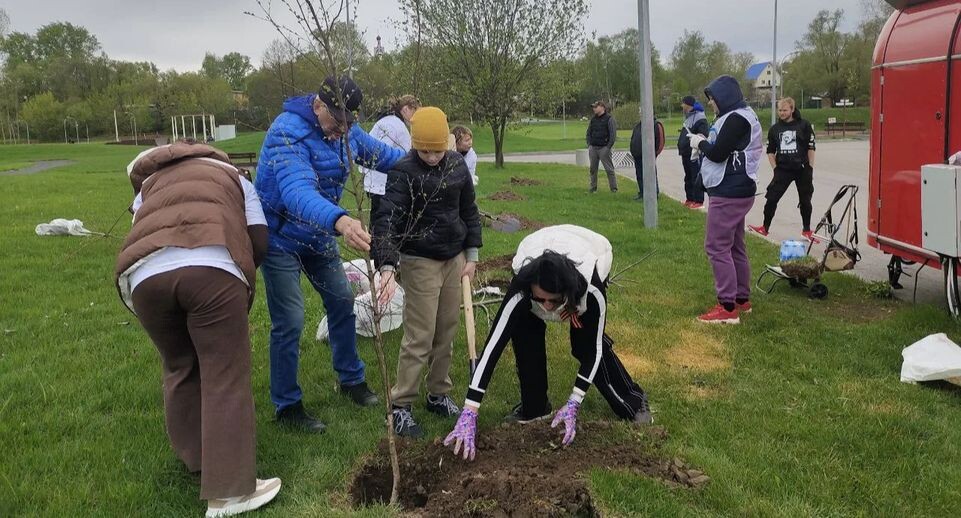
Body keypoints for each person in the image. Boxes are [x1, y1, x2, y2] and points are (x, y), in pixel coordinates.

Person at [115, 140, 281, 517]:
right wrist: (242, 273)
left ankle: (199, 459)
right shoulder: (234, 178)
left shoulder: (150, 185)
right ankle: (229, 494)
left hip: (143, 280)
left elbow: (142, 233)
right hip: (211, 268)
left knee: (179, 366)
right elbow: (259, 238)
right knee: (224, 373)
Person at [255, 75, 406, 433]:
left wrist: (431, 161)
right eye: (337, 121)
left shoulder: (347, 131)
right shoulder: (287, 133)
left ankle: (351, 380)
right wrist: (340, 220)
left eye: (349, 123)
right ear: (318, 105)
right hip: (280, 239)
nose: (343, 130)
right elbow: (296, 191)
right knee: (289, 320)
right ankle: (287, 406)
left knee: (342, 303)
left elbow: (384, 157)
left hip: (320, 235)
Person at [442, 225, 652, 460]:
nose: (546, 306)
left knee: (585, 344)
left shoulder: (591, 290)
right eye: (539, 299)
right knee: (524, 333)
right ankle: (535, 407)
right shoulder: (522, 288)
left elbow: (594, 350)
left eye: (552, 301)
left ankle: (633, 401)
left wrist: (574, 401)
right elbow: (493, 346)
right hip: (541, 248)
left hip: (587, 251)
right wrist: (470, 410)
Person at [371, 107, 483, 438]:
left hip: (454, 259)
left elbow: (469, 211)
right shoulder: (403, 171)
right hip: (419, 259)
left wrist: (472, 254)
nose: (432, 157)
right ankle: (400, 405)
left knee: (446, 330)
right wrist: (388, 265)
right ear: (415, 145)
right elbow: (387, 220)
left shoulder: (457, 164)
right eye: (425, 150)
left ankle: (438, 393)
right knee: (420, 334)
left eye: (437, 150)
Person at [688, 75, 763, 325]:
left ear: (725, 97)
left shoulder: (736, 119)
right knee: (735, 245)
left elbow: (719, 154)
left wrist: (700, 143)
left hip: (729, 190)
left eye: (713, 99)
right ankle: (742, 299)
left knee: (717, 246)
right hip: (739, 189)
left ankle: (727, 307)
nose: (711, 104)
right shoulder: (743, 115)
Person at [748, 97, 818, 241]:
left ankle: (807, 230)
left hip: (802, 168)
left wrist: (810, 167)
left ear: (792, 109)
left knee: (805, 200)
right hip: (783, 169)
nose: (782, 113)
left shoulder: (804, 125)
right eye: (780, 110)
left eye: (785, 110)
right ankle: (765, 228)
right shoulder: (775, 129)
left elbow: (811, 147)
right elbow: (770, 151)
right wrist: (775, 169)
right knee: (771, 198)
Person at [361, 94, 421, 216]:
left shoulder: (388, 122)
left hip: (378, 182)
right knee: (384, 220)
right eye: (415, 112)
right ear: (406, 109)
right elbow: (381, 153)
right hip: (384, 184)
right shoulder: (393, 125)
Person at [677, 96, 709, 209]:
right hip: (686, 153)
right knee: (688, 177)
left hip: (694, 154)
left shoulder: (700, 118)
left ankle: (698, 201)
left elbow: (704, 133)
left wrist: (695, 144)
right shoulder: (688, 118)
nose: (682, 106)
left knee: (696, 177)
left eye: (683, 103)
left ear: (688, 104)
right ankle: (690, 199)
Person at [629, 114, 664, 200]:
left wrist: (654, 154)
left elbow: (660, 142)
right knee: (640, 175)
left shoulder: (656, 125)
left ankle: (654, 194)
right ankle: (642, 193)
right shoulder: (638, 125)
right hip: (637, 155)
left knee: (650, 175)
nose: (640, 114)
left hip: (649, 157)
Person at [586, 101, 618, 193]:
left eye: (596, 107)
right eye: (593, 107)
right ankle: (593, 187)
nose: (594, 109)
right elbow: (588, 132)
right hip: (593, 147)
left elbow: (613, 135)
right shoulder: (593, 119)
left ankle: (613, 188)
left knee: (609, 169)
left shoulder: (609, 119)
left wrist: (608, 147)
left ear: (602, 107)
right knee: (593, 169)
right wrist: (589, 144)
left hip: (604, 148)